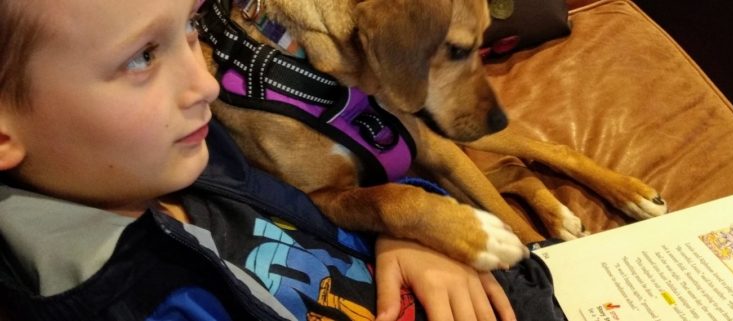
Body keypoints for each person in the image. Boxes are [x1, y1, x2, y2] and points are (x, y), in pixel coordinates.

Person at [0, 0, 565, 320]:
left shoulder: (195, 159)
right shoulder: (130, 300)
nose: (209, 82)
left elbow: (330, 205)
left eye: (193, 27)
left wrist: (401, 230)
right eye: (143, 56)